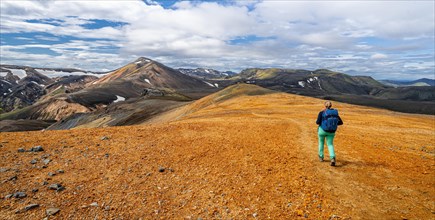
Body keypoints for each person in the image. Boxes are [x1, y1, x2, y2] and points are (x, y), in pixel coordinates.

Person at [316, 101, 343, 166]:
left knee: (321, 143)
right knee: (330, 144)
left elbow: (317, 122)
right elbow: (341, 122)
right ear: (331, 105)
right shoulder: (335, 114)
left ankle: (321, 157)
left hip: (322, 131)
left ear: (325, 105)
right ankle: (332, 158)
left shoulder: (322, 112)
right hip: (332, 132)